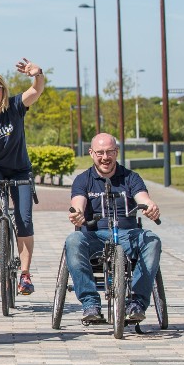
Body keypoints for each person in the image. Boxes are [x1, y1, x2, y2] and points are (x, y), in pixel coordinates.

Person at [65, 133, 162, 324]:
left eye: (110, 152)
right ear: (91, 153)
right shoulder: (83, 180)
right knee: (72, 240)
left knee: (153, 240)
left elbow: (142, 197)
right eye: (100, 153)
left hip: (128, 235)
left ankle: (136, 303)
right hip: (94, 236)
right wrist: (77, 213)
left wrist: (150, 206)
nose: (105, 157)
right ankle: (90, 304)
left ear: (116, 152)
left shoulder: (131, 178)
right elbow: (78, 203)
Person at [0, 59, 46, 296]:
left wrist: (38, 74)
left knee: (24, 219)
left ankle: (25, 274)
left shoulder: (15, 106)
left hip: (20, 169)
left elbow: (36, 90)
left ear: (3, 90)